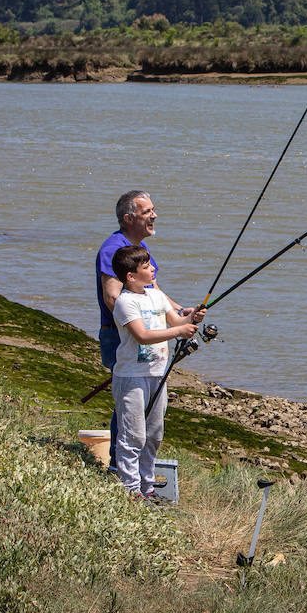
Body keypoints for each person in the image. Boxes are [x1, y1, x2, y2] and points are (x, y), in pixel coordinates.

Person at [95, 190, 196, 470]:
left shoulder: (140, 249)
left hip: (150, 338)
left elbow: (155, 293)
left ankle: (137, 468)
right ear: (128, 218)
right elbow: (113, 297)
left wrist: (180, 313)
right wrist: (145, 328)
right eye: (147, 212)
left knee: (147, 406)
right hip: (123, 337)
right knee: (130, 404)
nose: (154, 215)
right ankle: (119, 464)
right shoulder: (114, 249)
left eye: (154, 209)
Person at [110, 244, 197, 501]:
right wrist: (179, 332)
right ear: (131, 277)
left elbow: (177, 322)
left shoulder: (156, 296)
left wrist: (191, 318)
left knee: (154, 434)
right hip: (131, 377)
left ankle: (147, 488)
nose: (152, 269)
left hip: (158, 374)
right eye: (146, 266)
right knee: (132, 435)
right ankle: (130, 489)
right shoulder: (125, 302)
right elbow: (143, 335)